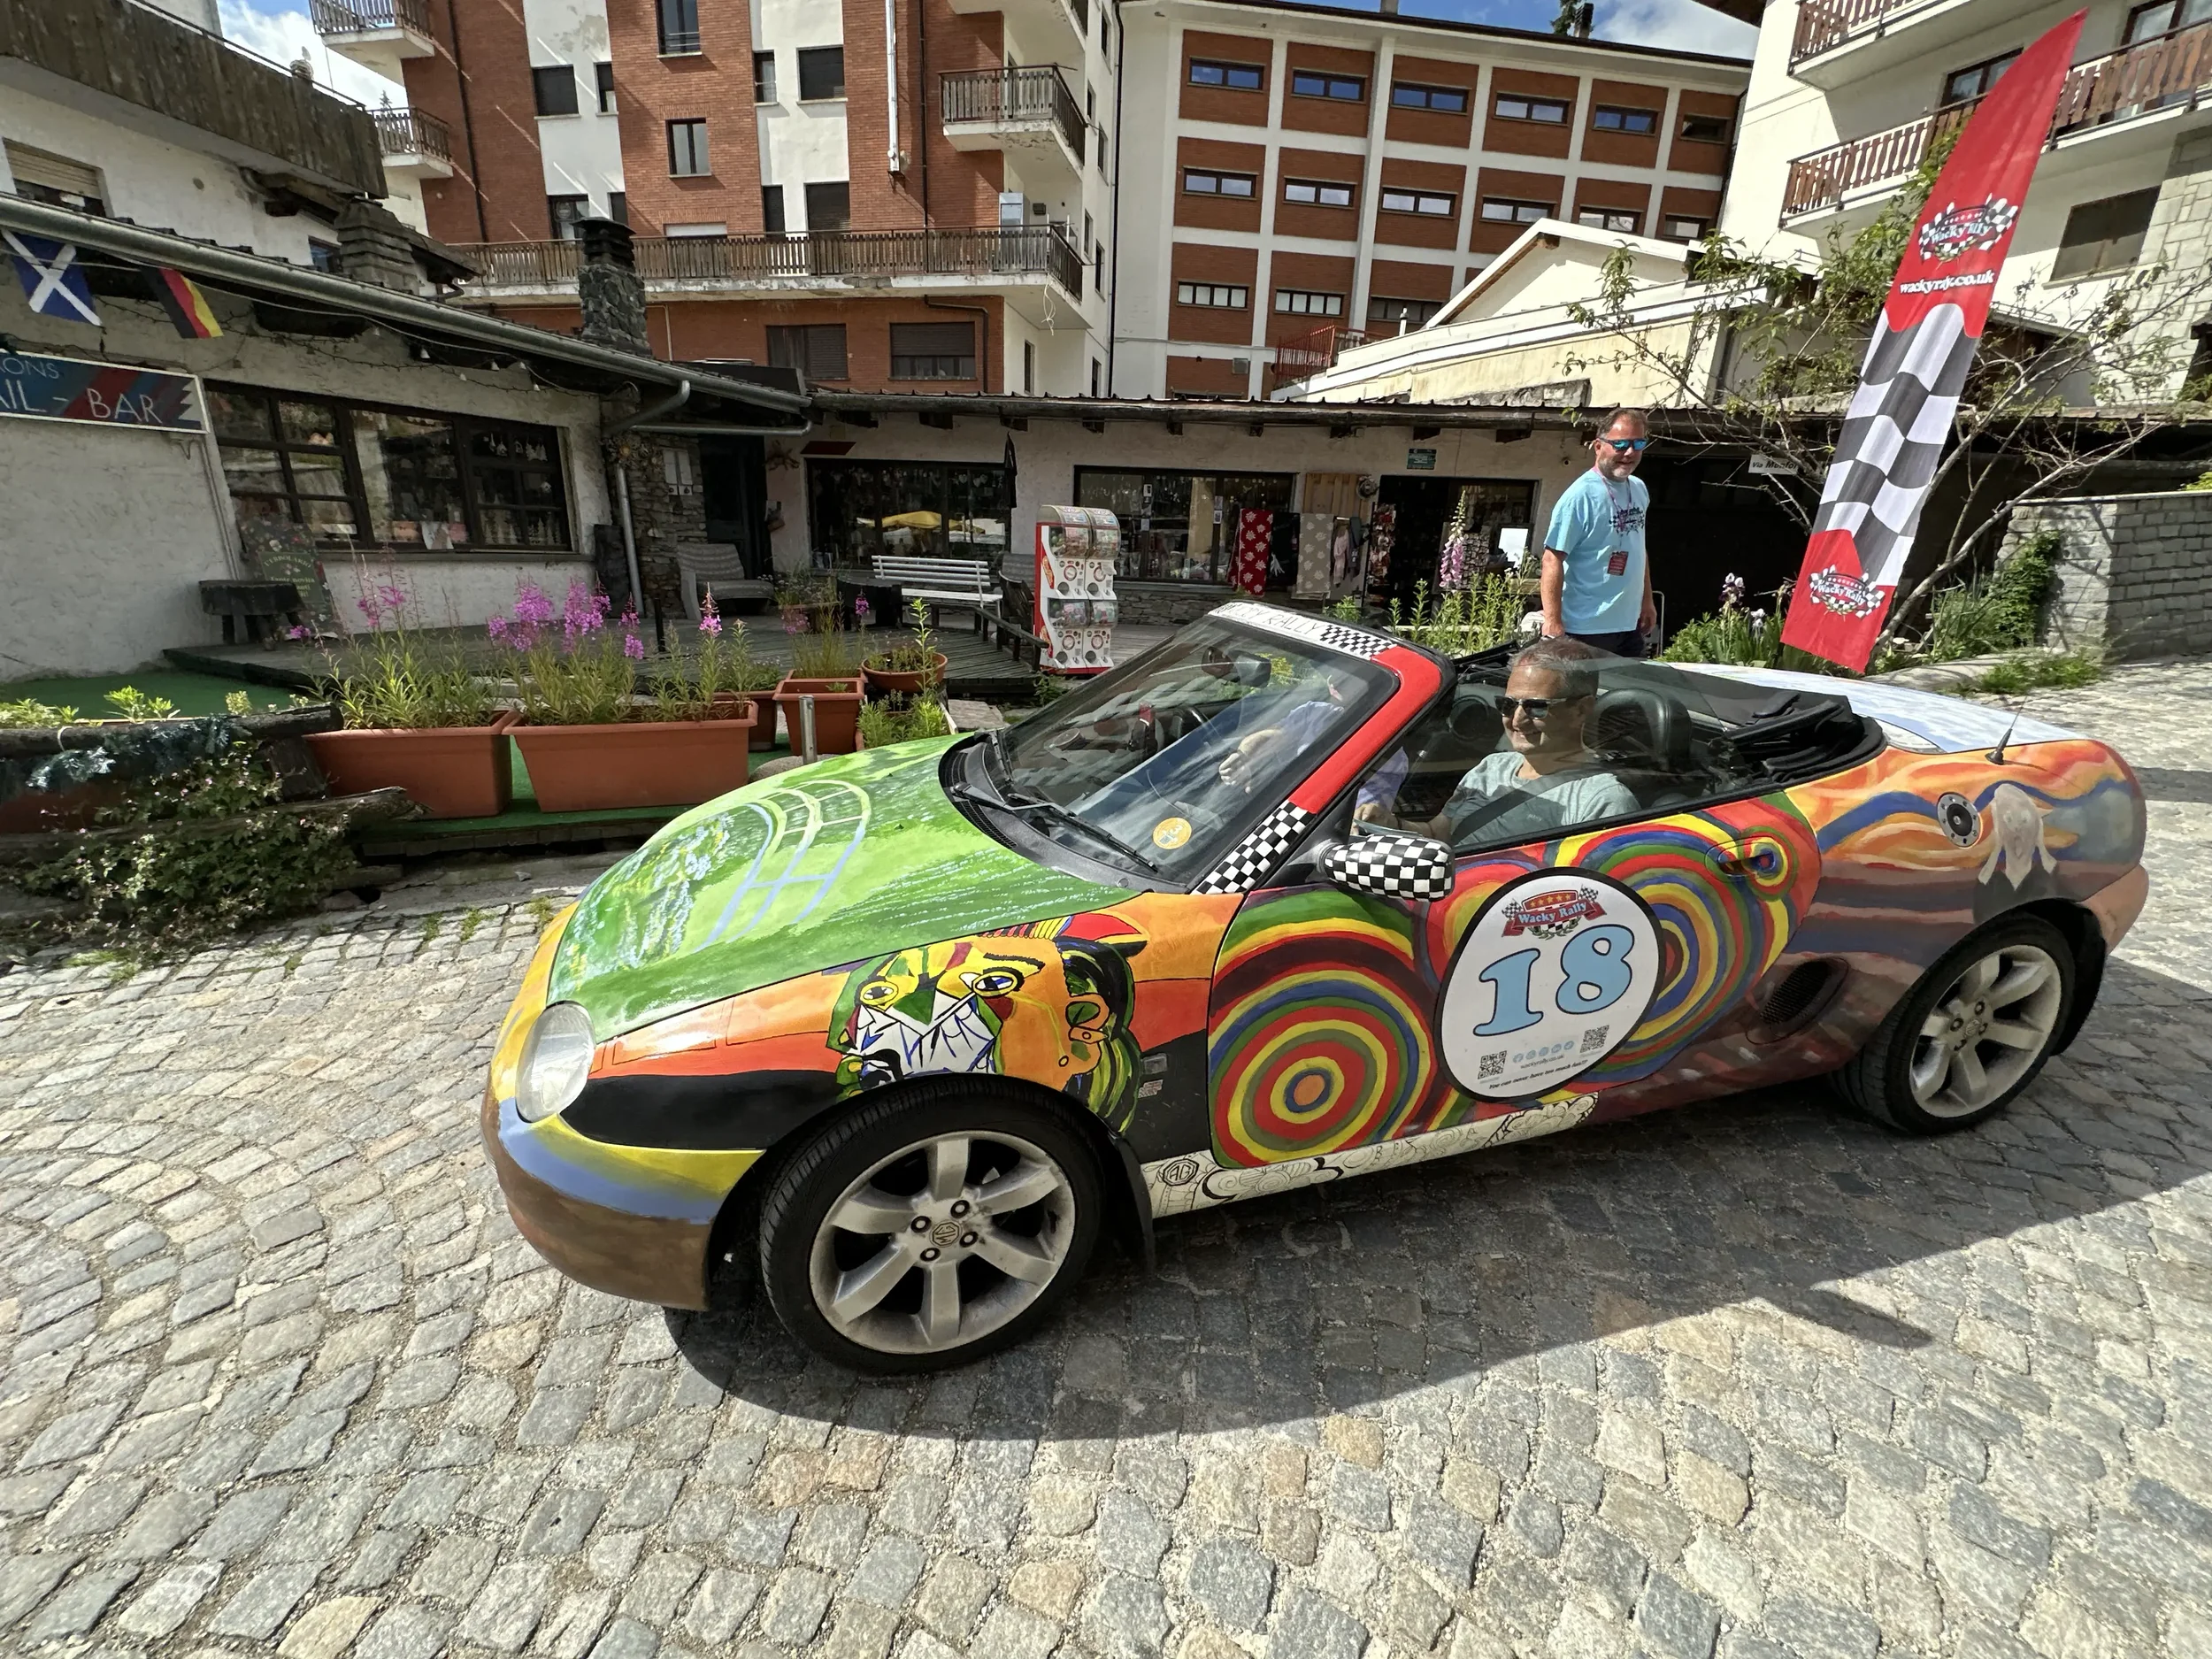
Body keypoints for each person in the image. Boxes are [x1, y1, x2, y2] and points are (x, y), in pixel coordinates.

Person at [1356, 639, 1636, 848]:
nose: (1516, 720)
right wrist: (1391, 824)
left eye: (1537, 707)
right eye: (1507, 704)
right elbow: (1438, 833)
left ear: (1581, 710)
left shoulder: (1603, 801)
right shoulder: (1492, 767)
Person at [1541, 407, 1657, 657]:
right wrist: (1552, 621)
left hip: (1629, 625)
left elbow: (1638, 550)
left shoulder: (1638, 489)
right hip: (1585, 628)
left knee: (1628, 696)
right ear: (1598, 446)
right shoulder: (1580, 496)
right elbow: (1552, 558)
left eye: (1638, 443)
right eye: (1620, 444)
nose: (1629, 452)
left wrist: (1647, 601)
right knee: (1587, 696)